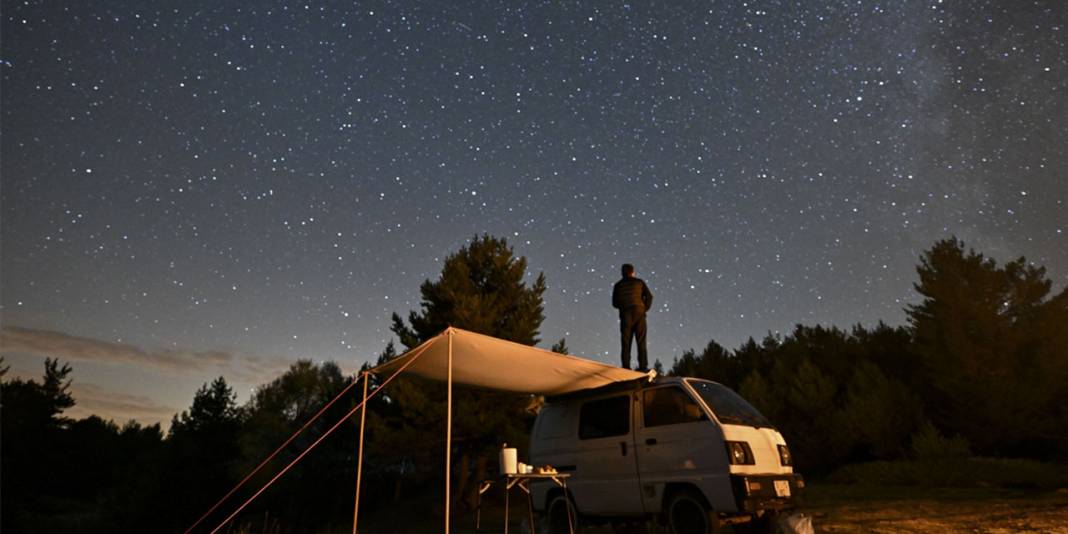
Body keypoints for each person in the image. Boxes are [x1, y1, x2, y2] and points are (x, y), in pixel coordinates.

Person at [612, 263, 653, 371]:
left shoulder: (618, 285)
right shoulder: (639, 282)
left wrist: (623, 305)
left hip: (625, 314)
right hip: (639, 312)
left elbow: (614, 303)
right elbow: (649, 296)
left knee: (626, 341)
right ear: (632, 272)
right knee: (641, 341)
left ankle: (626, 366)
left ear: (622, 273)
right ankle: (643, 366)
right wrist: (644, 309)